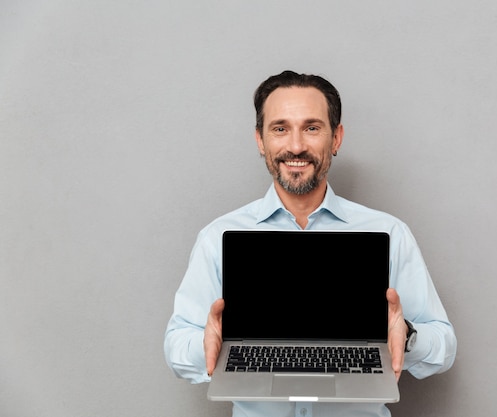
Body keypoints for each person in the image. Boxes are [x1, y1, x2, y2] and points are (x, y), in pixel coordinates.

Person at [164, 70, 457, 417]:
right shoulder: (218, 237)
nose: (296, 145)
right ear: (260, 140)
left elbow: (444, 348)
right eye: (280, 128)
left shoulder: (389, 233)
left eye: (312, 128)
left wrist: (407, 336)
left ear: (336, 138)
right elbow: (176, 349)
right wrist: (207, 344)